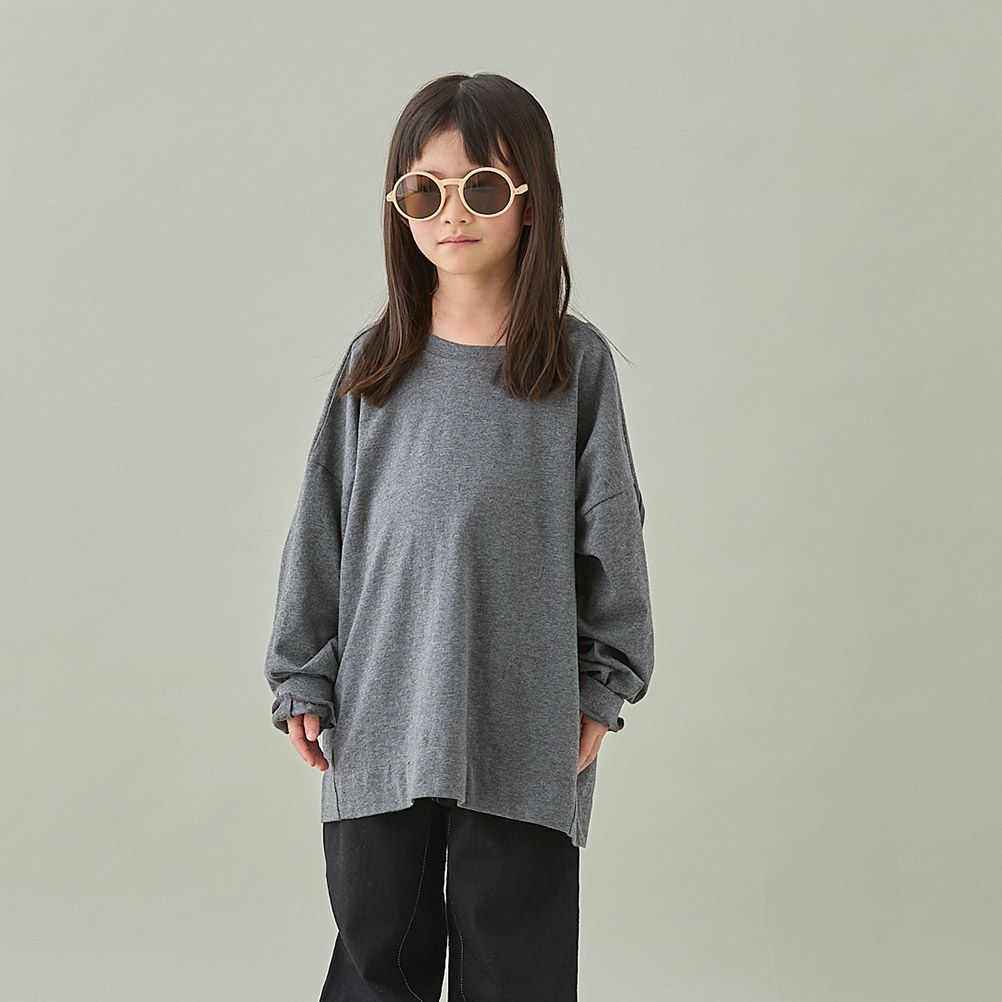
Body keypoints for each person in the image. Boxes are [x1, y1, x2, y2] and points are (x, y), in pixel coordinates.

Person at [263, 72, 656, 1002]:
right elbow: (319, 528)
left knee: (516, 965)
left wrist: (602, 688)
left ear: (533, 201)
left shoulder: (574, 367)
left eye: (482, 187)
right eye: (424, 189)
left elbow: (614, 532)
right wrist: (301, 674)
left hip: (523, 722)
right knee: (377, 960)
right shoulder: (374, 366)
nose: (453, 212)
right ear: (398, 205)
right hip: (381, 716)